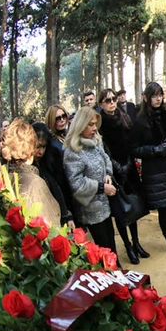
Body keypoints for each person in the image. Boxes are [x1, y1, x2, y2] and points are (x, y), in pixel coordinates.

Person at [132, 82, 166, 255]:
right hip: (154, 169)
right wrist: (155, 150)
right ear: (146, 98)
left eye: (159, 95)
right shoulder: (140, 120)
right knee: (164, 206)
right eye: (154, 96)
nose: (157, 99)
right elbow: (135, 149)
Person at [98, 88, 149, 265]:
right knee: (121, 210)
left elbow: (131, 142)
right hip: (113, 171)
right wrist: (117, 167)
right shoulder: (99, 123)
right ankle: (127, 246)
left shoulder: (124, 117)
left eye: (113, 99)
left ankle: (136, 243)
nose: (112, 102)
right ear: (101, 104)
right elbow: (103, 150)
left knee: (134, 206)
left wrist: (128, 163)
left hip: (129, 167)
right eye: (107, 100)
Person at [63, 107, 118, 257]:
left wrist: (108, 173)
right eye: (91, 124)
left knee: (111, 244)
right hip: (91, 210)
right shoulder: (73, 151)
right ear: (81, 125)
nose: (95, 128)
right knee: (102, 249)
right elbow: (76, 183)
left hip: (105, 205)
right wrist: (101, 187)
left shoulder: (95, 141)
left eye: (95, 124)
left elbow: (106, 158)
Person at [2, 120, 63, 228]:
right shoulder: (35, 183)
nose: (40, 151)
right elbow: (50, 226)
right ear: (32, 147)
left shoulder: (6, 178)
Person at [32, 122, 74, 228]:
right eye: (38, 147)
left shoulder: (48, 162)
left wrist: (67, 215)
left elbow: (58, 189)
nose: (41, 152)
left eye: (44, 147)